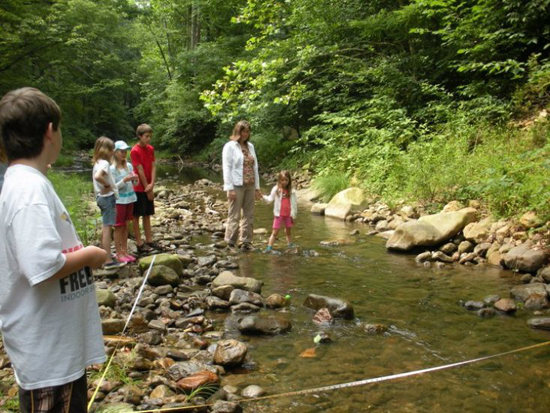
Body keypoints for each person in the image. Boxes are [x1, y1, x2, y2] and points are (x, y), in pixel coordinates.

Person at [0, 87, 107, 412]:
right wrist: (90, 255)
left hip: (56, 350)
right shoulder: (28, 190)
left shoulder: (28, 182)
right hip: (48, 357)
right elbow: (41, 265)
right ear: (50, 131)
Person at [222, 120, 262, 250]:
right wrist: (229, 188)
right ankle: (231, 242)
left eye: (247, 131)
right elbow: (227, 167)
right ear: (237, 132)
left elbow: (255, 167)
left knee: (249, 214)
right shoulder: (230, 146)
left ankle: (246, 241)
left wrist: (257, 188)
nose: (245, 134)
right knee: (234, 214)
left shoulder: (250, 146)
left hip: (250, 184)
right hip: (236, 184)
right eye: (243, 131)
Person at [92, 136, 125, 269]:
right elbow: (98, 177)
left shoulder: (97, 162)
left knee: (105, 226)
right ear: (107, 150)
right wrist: (107, 185)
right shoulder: (105, 163)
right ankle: (108, 260)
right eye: (112, 149)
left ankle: (102, 256)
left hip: (100, 197)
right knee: (107, 228)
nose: (113, 152)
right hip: (107, 198)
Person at [130, 123, 162, 253]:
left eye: (150, 136)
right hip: (138, 187)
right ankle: (139, 242)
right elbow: (139, 170)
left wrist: (152, 184)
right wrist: (147, 188)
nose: (148, 139)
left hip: (148, 185)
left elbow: (153, 166)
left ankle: (149, 240)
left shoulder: (150, 149)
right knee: (137, 215)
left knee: (147, 214)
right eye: (146, 136)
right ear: (139, 136)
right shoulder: (134, 151)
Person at [111, 140, 138, 263]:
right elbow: (113, 187)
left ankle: (125, 251)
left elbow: (135, 184)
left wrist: (135, 179)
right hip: (119, 201)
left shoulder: (129, 166)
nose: (124, 154)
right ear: (115, 152)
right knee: (118, 227)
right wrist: (125, 180)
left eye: (125, 151)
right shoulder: (112, 169)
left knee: (126, 225)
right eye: (121, 151)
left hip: (130, 199)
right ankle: (118, 253)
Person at [263, 170, 297, 252]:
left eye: (286, 180)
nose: (284, 182)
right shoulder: (276, 189)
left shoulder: (292, 191)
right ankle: (269, 246)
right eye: (282, 180)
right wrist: (262, 196)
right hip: (279, 214)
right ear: (279, 180)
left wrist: (294, 214)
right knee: (275, 232)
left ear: (289, 180)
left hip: (288, 215)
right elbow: (270, 199)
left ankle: (289, 243)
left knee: (288, 231)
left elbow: (294, 203)